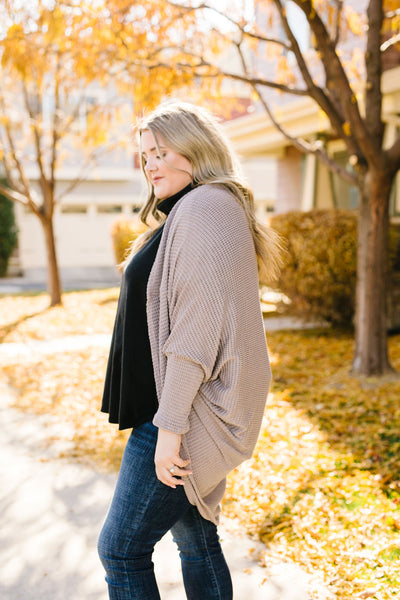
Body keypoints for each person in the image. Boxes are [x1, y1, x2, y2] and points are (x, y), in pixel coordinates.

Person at [97, 101, 281, 600]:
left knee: (121, 551)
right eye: (144, 156)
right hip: (168, 410)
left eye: (160, 151)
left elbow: (196, 337)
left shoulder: (207, 208)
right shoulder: (190, 211)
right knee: (196, 538)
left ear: (196, 148)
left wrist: (170, 430)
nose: (150, 164)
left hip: (177, 414)